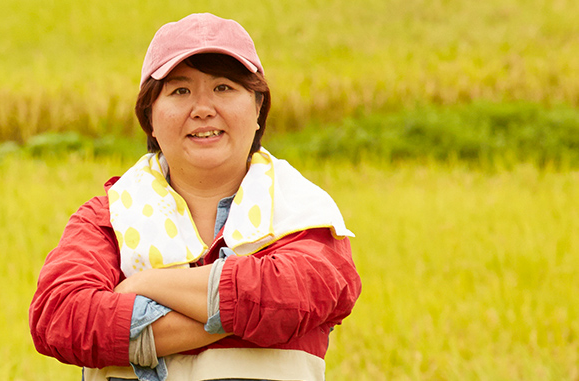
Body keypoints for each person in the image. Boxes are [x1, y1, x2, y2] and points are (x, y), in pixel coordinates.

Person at [27, 13, 361, 381]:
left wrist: (145, 285)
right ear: (149, 117)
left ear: (258, 109)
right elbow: (59, 316)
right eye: (180, 91)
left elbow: (298, 293)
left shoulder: (301, 211)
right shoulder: (108, 216)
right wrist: (247, 319)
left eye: (224, 88)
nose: (203, 109)